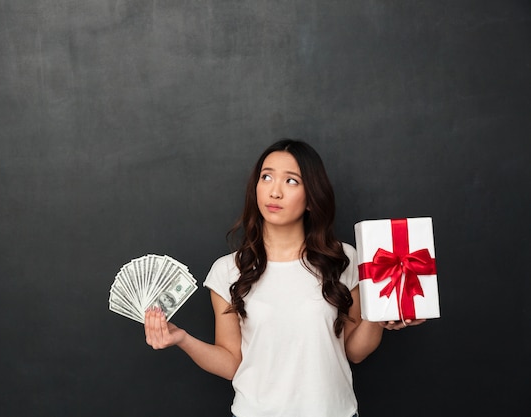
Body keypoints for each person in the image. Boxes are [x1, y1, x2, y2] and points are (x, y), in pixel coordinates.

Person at [144, 139, 424, 417]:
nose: (274, 192)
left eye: (291, 181)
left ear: (312, 198)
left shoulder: (343, 260)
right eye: (266, 177)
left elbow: (355, 351)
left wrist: (380, 312)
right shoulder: (228, 270)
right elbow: (232, 363)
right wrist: (181, 338)